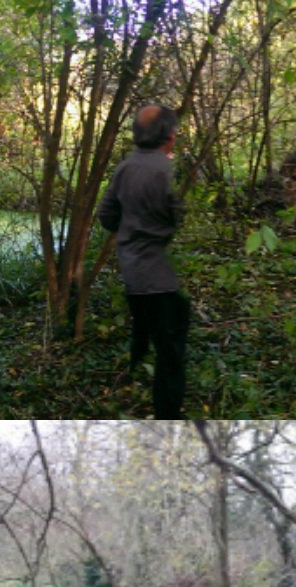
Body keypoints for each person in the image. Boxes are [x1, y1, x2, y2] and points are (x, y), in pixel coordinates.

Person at [97, 104, 188, 420]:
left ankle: (132, 373)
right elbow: (177, 214)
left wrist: (130, 230)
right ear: (170, 136)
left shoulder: (124, 168)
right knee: (171, 353)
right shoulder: (167, 171)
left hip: (132, 272)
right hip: (157, 278)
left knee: (148, 327)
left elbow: (106, 214)